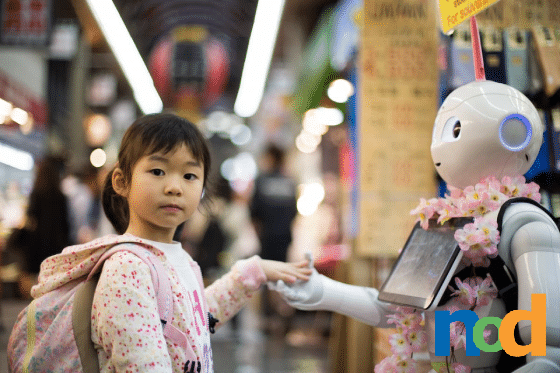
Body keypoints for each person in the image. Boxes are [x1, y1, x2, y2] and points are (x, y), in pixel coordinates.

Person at [23, 112, 311, 372]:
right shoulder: (127, 269)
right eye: (158, 171)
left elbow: (193, 321)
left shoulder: (178, 258)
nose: (174, 187)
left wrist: (254, 272)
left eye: (189, 175)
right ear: (122, 182)